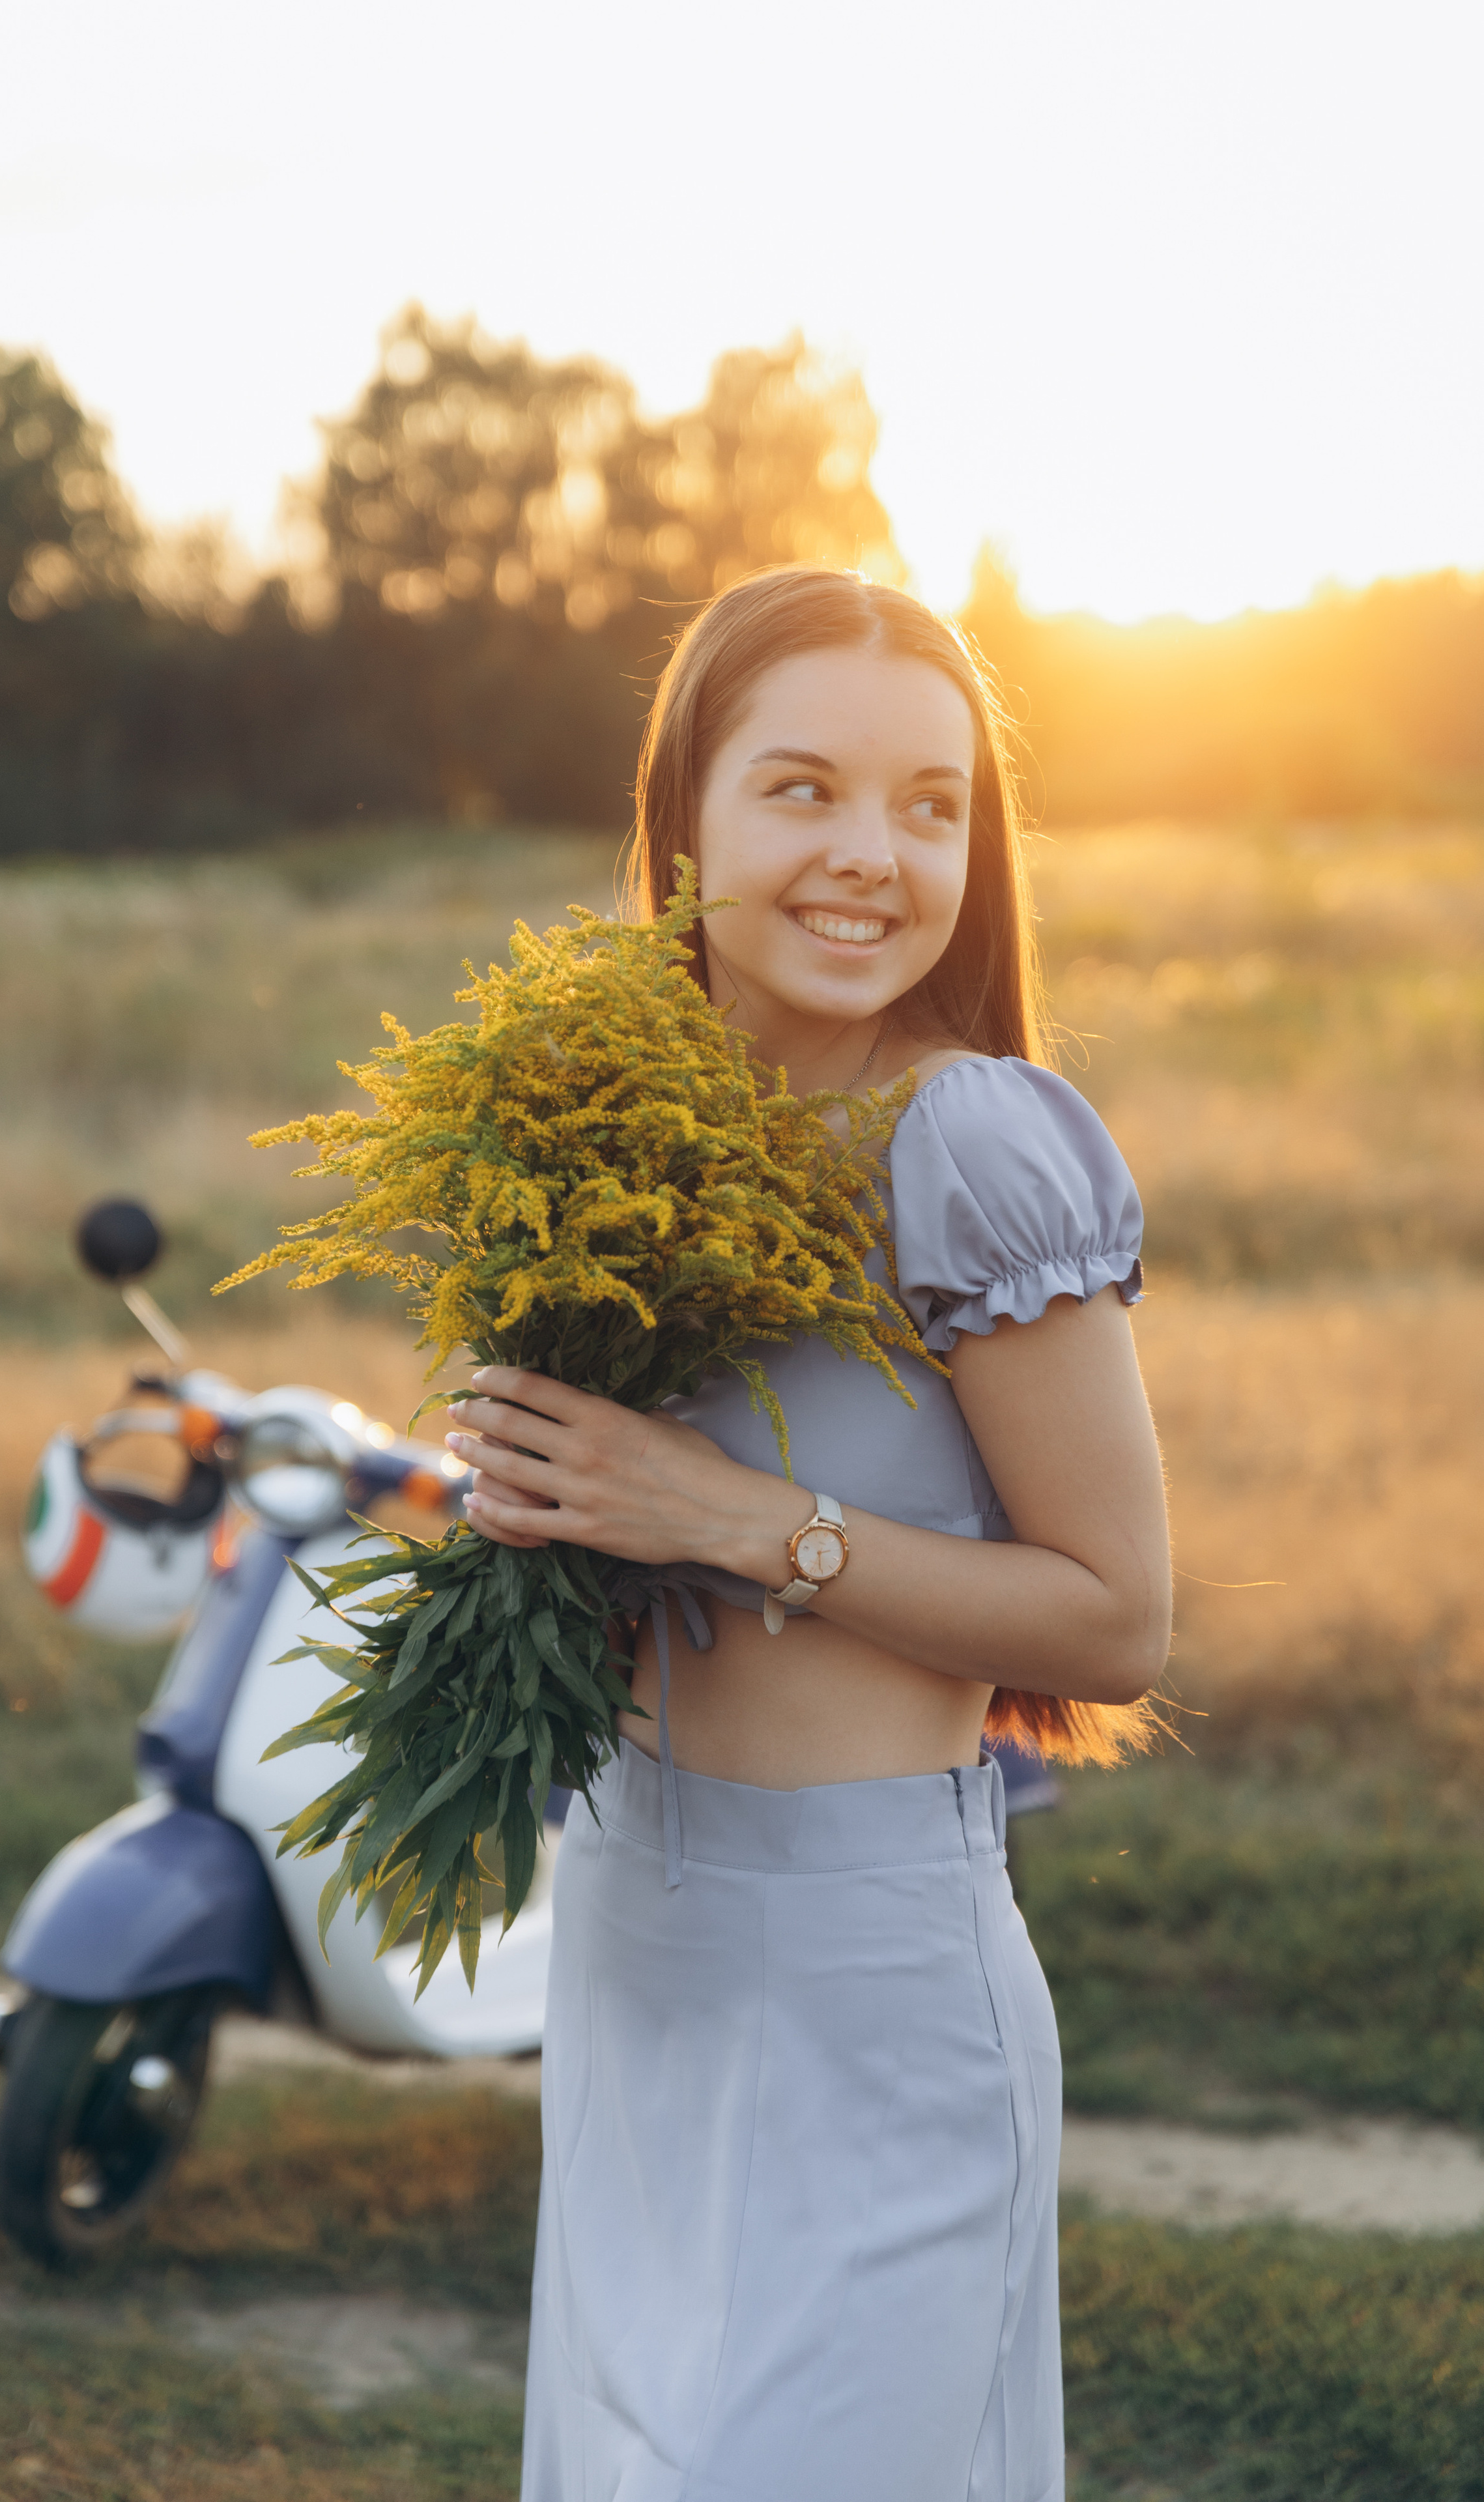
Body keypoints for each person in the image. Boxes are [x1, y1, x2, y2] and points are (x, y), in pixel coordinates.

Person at [442, 566, 1171, 2502]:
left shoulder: (970, 1140)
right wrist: (525, 1502)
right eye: (808, 792)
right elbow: (605, 1553)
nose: (876, 856)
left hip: (874, 1976)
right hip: (628, 1936)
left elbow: (1117, 1620)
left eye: (934, 806)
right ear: (684, 818)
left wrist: (746, 1521)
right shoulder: (607, 1138)